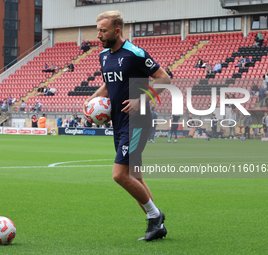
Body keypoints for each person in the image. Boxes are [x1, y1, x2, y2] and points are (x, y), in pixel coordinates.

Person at [82, 10, 169, 241]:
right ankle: (156, 225)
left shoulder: (135, 53)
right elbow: (108, 85)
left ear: (116, 31)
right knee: (134, 175)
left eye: (103, 30)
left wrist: (142, 99)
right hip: (119, 123)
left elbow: (164, 78)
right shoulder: (103, 56)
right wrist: (91, 100)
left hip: (138, 120)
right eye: (98, 30)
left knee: (119, 175)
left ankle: (155, 216)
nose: (98, 35)